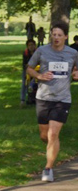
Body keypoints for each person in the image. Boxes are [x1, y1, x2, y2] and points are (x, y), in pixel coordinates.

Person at [26, 22, 78, 182]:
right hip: (43, 97)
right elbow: (29, 68)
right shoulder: (42, 51)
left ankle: (48, 168)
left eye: (59, 35)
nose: (56, 38)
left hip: (62, 99)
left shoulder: (73, 53)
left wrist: (76, 75)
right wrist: (39, 76)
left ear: (65, 37)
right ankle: (52, 145)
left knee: (53, 133)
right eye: (53, 34)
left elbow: (76, 70)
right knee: (45, 135)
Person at [22, 39, 38, 105]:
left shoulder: (38, 53)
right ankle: (22, 100)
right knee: (24, 84)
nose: (31, 46)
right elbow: (24, 64)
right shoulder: (26, 53)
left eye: (32, 45)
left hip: (37, 70)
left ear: (35, 45)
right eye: (29, 45)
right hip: (27, 70)